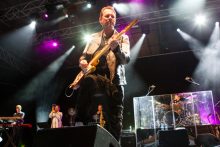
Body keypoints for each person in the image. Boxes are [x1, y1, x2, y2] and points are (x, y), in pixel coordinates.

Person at [75, 6, 130, 141]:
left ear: (115, 20)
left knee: (115, 119)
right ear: (100, 19)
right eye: (107, 16)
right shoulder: (93, 38)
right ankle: (80, 121)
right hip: (96, 81)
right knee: (88, 80)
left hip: (114, 82)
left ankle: (115, 143)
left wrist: (116, 48)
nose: (110, 18)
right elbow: (83, 57)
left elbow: (125, 60)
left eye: (112, 16)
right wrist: (82, 62)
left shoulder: (123, 37)